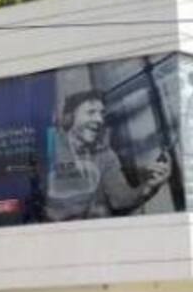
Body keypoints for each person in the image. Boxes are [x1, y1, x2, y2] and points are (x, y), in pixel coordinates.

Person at [45, 89, 170, 222]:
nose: (99, 119)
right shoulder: (49, 146)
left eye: (101, 113)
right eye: (91, 112)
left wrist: (149, 187)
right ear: (69, 118)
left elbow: (120, 199)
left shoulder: (106, 154)